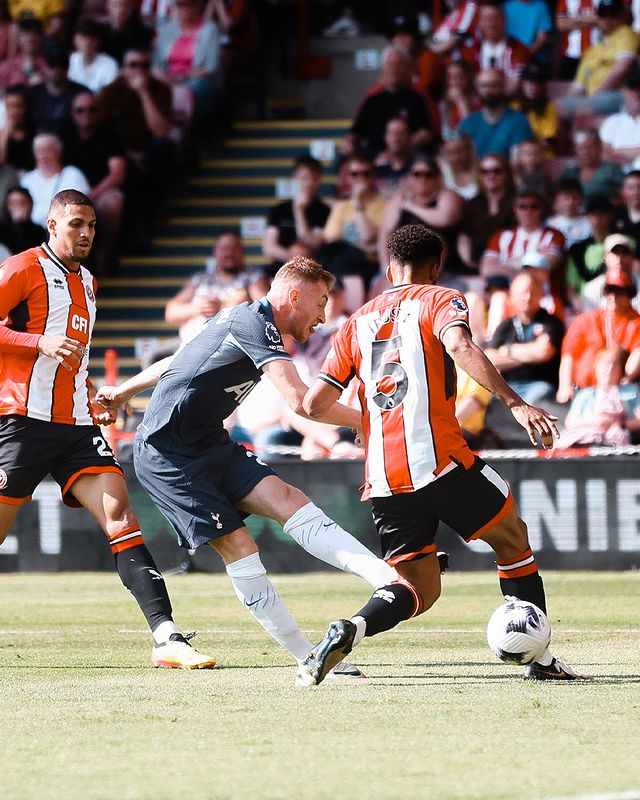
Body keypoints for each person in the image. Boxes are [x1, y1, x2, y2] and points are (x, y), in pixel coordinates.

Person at [296, 224, 589, 685]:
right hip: (439, 459)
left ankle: (350, 627)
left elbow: (311, 404)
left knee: (417, 588)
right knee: (512, 538)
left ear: (389, 268)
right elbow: (458, 345)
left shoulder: (356, 321)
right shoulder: (440, 298)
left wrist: (366, 422)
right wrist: (515, 403)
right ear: (435, 266)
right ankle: (540, 658)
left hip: (382, 476)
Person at [96, 257, 399, 673]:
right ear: (294, 296)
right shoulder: (255, 323)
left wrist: (123, 391)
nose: (323, 316)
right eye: (321, 302)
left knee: (289, 499)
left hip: (210, 444)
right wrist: (367, 418)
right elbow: (299, 402)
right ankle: (305, 655)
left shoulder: (243, 321)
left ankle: (387, 579)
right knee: (240, 546)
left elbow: (177, 361)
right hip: (168, 455)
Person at [0, 189, 216, 670]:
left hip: (76, 424)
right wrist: (37, 341)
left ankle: (167, 639)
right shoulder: (22, 269)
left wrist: (93, 389)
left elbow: (69, 353)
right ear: (52, 225)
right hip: (22, 420)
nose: (86, 233)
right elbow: (43, 342)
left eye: (92, 225)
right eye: (76, 224)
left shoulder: (89, 282)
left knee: (122, 518)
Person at [165, 230, 268, 345]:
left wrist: (223, 307)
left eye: (234, 248)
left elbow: (265, 311)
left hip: (230, 346)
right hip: (189, 343)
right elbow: (171, 312)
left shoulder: (253, 278)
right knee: (154, 356)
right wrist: (198, 308)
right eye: (224, 248)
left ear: (242, 252)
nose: (229, 253)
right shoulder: (200, 279)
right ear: (215, 252)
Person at [557, 266, 640, 402]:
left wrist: (626, 379)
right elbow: (568, 355)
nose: (613, 296)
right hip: (583, 391)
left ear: (629, 294)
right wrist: (564, 386)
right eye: (609, 291)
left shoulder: (636, 322)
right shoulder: (586, 319)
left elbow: (637, 354)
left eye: (618, 291)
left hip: (619, 391)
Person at [484, 270, 565, 403]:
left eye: (532, 292)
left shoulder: (551, 322)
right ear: (512, 295)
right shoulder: (506, 325)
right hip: (508, 386)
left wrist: (508, 350)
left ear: (541, 294)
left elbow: (544, 353)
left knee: (531, 403)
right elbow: (489, 359)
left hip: (540, 384)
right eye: (523, 293)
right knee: (487, 401)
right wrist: (530, 355)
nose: (527, 297)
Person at [343, 45, 435, 159]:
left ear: (408, 69)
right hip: (374, 154)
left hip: (407, 155)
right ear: (383, 68)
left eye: (398, 65)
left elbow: (426, 134)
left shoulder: (418, 98)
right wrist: (349, 143)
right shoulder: (371, 99)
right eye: (390, 64)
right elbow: (355, 131)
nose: (394, 69)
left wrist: (398, 150)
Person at [377, 153, 463, 274]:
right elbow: (385, 233)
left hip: (445, 267)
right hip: (403, 264)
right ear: (410, 177)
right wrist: (386, 267)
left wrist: (410, 206)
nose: (422, 179)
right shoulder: (400, 198)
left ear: (437, 177)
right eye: (417, 174)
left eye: (428, 175)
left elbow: (444, 219)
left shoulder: (446, 195)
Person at [556, 0, 640, 118]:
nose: (608, 19)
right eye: (603, 15)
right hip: (593, 99)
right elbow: (578, 87)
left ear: (621, 16)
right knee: (553, 108)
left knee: (559, 108)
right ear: (597, 17)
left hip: (617, 94)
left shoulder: (627, 34)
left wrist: (595, 96)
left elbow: (621, 69)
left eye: (613, 15)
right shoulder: (592, 50)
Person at [556, 347, 640, 447]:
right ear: (596, 367)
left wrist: (619, 423)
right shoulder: (585, 394)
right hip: (587, 437)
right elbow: (570, 422)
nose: (610, 368)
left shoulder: (631, 391)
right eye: (605, 364)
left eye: (615, 364)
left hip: (618, 437)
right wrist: (594, 421)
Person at [262, 155, 330, 273]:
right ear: (295, 178)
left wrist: (299, 211)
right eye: (304, 178)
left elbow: (313, 244)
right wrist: (294, 259)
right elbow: (269, 248)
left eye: (314, 178)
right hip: (280, 269)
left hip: (312, 271)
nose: (309, 183)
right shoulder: (279, 210)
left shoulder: (324, 211)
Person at [459, 68, 533, 159]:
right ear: (478, 89)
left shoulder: (519, 121)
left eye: (494, 85)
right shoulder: (468, 123)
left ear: (503, 87)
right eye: (484, 86)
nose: (489, 90)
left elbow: (517, 163)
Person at [460, 4, 529, 97]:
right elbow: (468, 83)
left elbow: (513, 86)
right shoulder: (470, 50)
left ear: (505, 20)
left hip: (508, 103)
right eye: (487, 19)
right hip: (477, 104)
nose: (491, 23)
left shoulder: (519, 49)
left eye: (496, 18)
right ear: (480, 23)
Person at [560, 128, 624, 203]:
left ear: (599, 149)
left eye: (590, 148)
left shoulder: (612, 169)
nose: (586, 152)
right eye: (581, 148)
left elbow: (625, 197)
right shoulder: (569, 173)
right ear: (576, 151)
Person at [68, 17, 119, 94]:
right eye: (82, 38)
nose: (87, 43)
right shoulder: (70, 60)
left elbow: (110, 95)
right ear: (75, 40)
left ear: (98, 41)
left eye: (91, 39)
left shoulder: (110, 64)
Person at [600, 68, 640, 166]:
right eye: (633, 88)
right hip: (615, 174)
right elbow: (602, 151)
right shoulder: (612, 121)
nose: (637, 93)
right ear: (625, 91)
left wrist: (617, 151)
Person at [0, 186, 46, 252]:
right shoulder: (2, 231)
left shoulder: (40, 232)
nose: (18, 207)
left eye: (22, 203)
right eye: (13, 203)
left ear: (31, 205)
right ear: (7, 206)